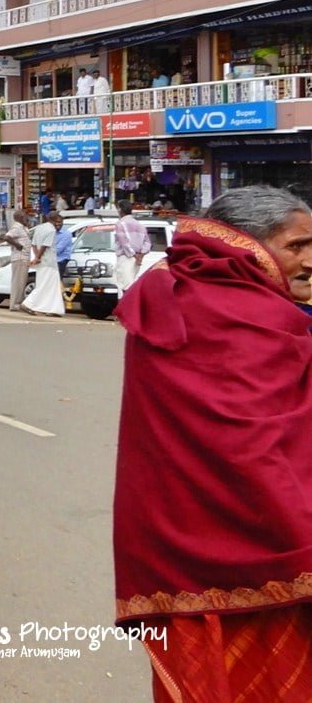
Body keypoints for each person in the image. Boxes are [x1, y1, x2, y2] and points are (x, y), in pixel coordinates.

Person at [113, 186, 312, 701]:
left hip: (171, 542)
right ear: (251, 245)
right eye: (296, 246)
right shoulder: (251, 314)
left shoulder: (176, 290)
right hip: (266, 542)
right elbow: (254, 445)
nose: (309, 260)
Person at [23, 212, 65, 316]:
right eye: (58, 222)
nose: (59, 224)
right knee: (46, 286)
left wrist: (37, 258)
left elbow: (34, 245)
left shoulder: (40, 228)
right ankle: (28, 303)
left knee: (49, 286)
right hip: (49, 262)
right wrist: (38, 257)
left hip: (42, 263)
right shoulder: (51, 230)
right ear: (54, 220)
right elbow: (45, 246)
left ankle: (52, 309)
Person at [113, 201, 149, 297]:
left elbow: (124, 242)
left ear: (120, 210)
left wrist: (134, 255)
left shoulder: (120, 224)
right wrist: (140, 255)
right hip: (136, 258)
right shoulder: (140, 225)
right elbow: (147, 243)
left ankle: (128, 308)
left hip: (126, 257)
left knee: (125, 285)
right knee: (130, 282)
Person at [4, 209, 33, 313]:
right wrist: (17, 245)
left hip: (24, 258)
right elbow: (7, 237)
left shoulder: (23, 227)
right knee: (18, 282)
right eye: (25, 216)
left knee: (21, 282)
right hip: (19, 258)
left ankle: (17, 303)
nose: (27, 218)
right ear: (21, 217)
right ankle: (15, 304)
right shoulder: (17, 227)